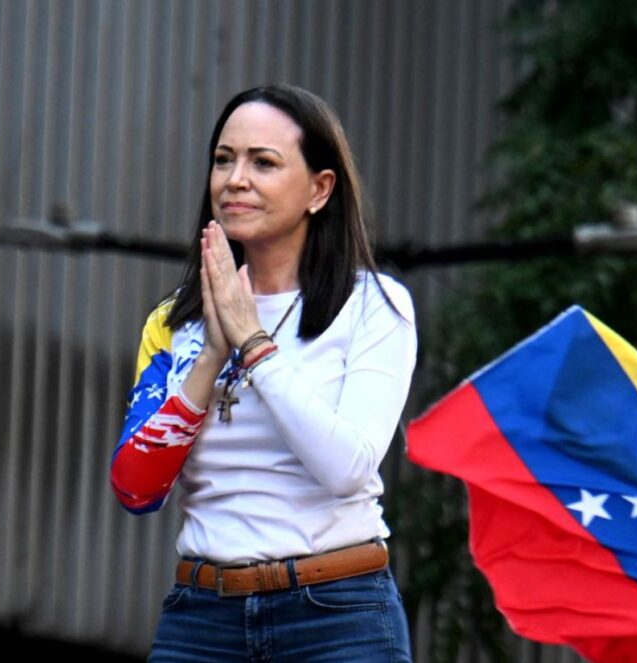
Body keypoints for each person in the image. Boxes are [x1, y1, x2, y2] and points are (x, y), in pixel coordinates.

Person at [109, 84, 417, 662]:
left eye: (263, 163)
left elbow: (348, 468)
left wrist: (253, 343)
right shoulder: (173, 323)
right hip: (203, 620)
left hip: (337, 616)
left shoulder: (375, 305)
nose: (235, 179)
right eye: (223, 160)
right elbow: (135, 488)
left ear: (320, 189)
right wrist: (209, 359)